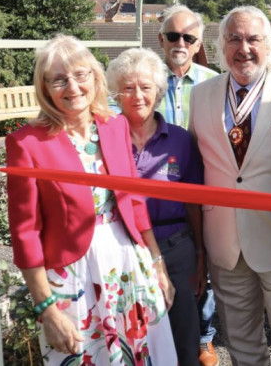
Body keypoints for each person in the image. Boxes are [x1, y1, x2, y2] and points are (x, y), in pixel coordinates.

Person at [5, 35, 177, 364]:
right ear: (44, 86)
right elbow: (25, 233)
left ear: (95, 77)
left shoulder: (114, 126)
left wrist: (158, 265)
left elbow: (135, 202)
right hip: (72, 276)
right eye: (59, 79)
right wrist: (47, 308)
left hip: (128, 265)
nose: (72, 87)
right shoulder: (26, 143)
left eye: (80, 74)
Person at [189, 6, 271, 366]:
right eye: (234, 38)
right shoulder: (200, 96)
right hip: (225, 244)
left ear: (269, 46)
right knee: (242, 345)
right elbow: (197, 170)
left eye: (253, 39)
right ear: (221, 45)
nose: (243, 48)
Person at [107, 48, 205, 366]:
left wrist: (200, 255)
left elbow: (194, 201)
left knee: (184, 337)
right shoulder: (104, 140)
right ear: (116, 93)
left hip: (176, 247)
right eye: (129, 87)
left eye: (146, 87)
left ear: (159, 92)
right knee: (131, 336)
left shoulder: (180, 140)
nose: (138, 95)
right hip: (124, 249)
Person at [156, 4, 219, 365]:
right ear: (161, 40)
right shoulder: (147, 79)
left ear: (198, 44)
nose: (180, 42)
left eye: (189, 37)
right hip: (159, 190)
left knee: (204, 258)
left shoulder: (212, 83)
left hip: (203, 184)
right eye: (174, 35)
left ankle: (204, 337)